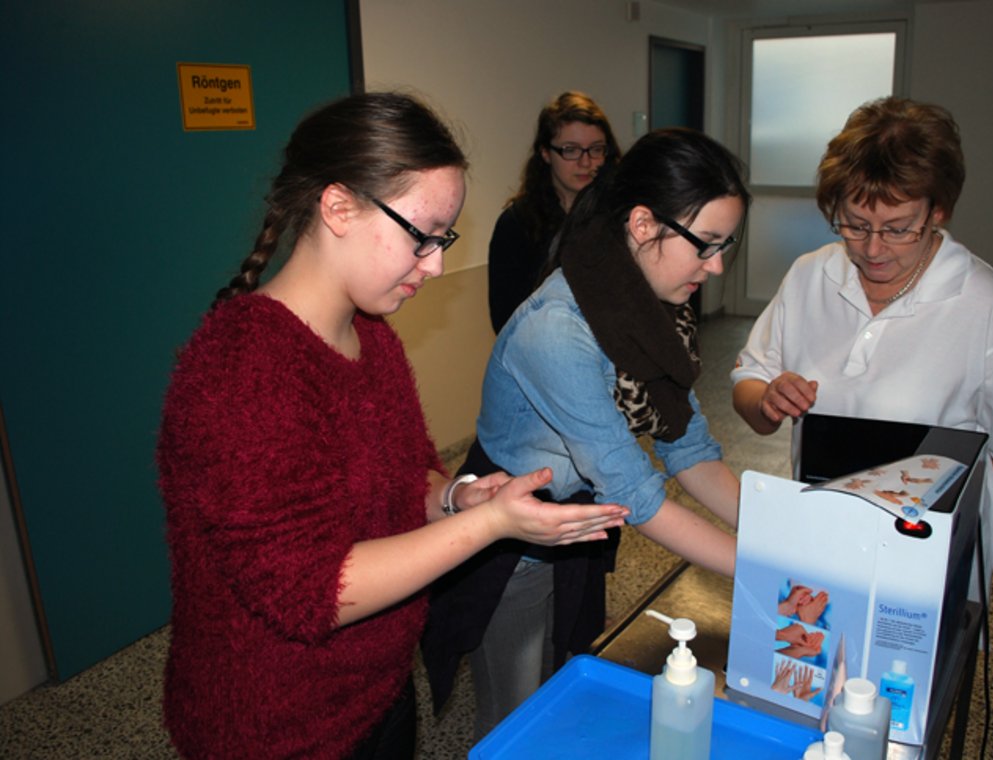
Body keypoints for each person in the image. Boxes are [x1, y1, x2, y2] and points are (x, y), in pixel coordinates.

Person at [156, 91, 628, 760]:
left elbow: (405, 478)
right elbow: (314, 592)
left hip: (375, 688)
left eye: (445, 239)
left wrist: (456, 497)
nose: (436, 264)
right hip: (276, 724)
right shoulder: (242, 371)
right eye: (421, 235)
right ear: (338, 207)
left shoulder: (370, 336)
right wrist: (490, 526)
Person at [423, 127, 750, 739]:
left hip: (579, 525)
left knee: (566, 690)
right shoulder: (558, 330)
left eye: (725, 244)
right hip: (513, 545)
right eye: (705, 244)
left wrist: (782, 534)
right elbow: (636, 492)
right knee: (516, 720)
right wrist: (764, 569)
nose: (717, 265)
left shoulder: (652, 307)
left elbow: (688, 447)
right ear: (643, 224)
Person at [731, 96, 993, 590]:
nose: (873, 248)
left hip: (927, 546)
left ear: (938, 210)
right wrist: (767, 400)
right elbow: (751, 379)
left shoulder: (984, 305)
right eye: (855, 224)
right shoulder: (811, 276)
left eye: (898, 229)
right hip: (827, 528)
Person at [488, 91, 621, 333]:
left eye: (596, 149)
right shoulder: (517, 224)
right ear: (545, 153)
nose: (585, 162)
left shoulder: (621, 216)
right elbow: (506, 320)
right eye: (570, 150)